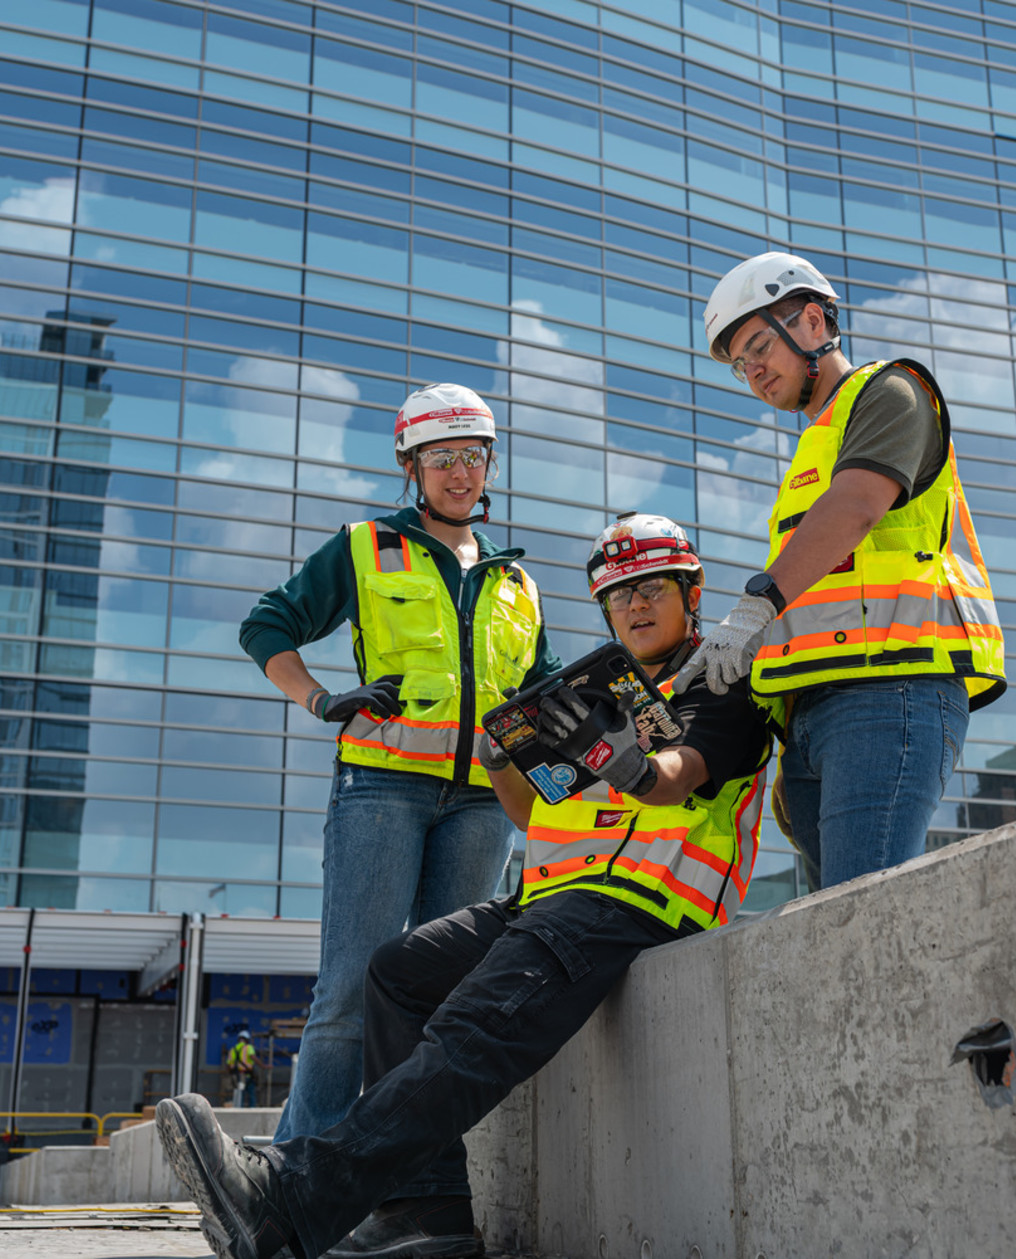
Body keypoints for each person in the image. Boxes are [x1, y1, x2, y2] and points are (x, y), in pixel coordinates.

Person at [160, 513, 773, 1259]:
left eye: (651, 588)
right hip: (550, 898)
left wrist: (631, 763)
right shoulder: (596, 690)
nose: (635, 606)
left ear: (692, 592)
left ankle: (288, 1199)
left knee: (473, 1027)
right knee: (398, 972)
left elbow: (679, 778)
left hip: (641, 902)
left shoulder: (718, 679)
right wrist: (500, 760)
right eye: (617, 595)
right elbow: (530, 810)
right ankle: (426, 1214)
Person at [238, 383, 561, 1145]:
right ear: (410, 464)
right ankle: (299, 1171)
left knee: (441, 993)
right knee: (348, 990)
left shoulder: (516, 581)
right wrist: (321, 700)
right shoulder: (363, 547)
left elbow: (544, 701)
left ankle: (397, 1173)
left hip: (484, 805)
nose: (460, 473)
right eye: (442, 457)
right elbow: (266, 625)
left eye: (474, 456)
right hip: (381, 791)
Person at [675, 252, 1007, 890]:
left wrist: (753, 607)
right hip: (819, 707)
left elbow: (855, 509)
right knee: (836, 929)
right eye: (741, 364)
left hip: (892, 690)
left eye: (758, 347)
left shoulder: (891, 392)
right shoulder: (816, 444)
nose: (753, 372)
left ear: (809, 321)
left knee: (861, 915)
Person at [224, 1029, 257, 1108]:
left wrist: (230, 1075)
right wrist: (264, 1066)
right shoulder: (248, 1047)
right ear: (247, 1040)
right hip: (247, 1075)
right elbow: (253, 1057)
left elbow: (228, 1064)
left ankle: (239, 1109)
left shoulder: (233, 1050)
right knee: (251, 1094)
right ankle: (252, 1110)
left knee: (239, 1094)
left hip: (236, 1075)